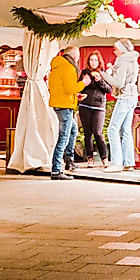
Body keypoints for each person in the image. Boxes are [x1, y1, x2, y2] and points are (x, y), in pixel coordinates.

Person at [49, 46, 88, 180]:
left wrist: (75, 96)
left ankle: (69, 161)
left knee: (73, 130)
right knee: (63, 137)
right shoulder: (68, 68)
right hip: (64, 106)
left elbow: (62, 88)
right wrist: (83, 83)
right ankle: (56, 170)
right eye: (77, 55)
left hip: (61, 103)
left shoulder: (58, 66)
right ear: (75, 56)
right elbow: (70, 88)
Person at [105, 39, 140, 173]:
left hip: (124, 97)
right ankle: (128, 162)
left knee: (112, 129)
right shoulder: (133, 61)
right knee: (126, 130)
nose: (115, 51)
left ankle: (116, 163)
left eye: (117, 49)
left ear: (122, 49)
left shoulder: (122, 62)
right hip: (133, 96)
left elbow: (119, 83)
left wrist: (104, 74)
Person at [80, 50, 112, 167]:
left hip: (99, 106)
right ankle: (90, 159)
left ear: (99, 62)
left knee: (98, 133)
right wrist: (85, 82)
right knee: (87, 133)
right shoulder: (85, 73)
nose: (93, 62)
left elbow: (109, 90)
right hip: (85, 105)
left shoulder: (103, 74)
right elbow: (79, 87)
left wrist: (100, 81)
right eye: (91, 60)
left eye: (95, 60)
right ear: (88, 61)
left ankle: (104, 158)